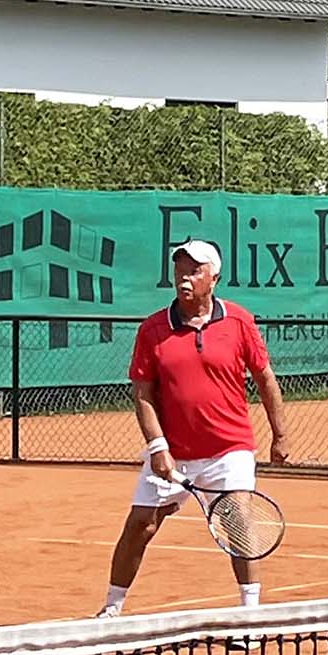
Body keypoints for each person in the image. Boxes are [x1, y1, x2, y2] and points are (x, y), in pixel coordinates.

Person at [97, 239, 290, 618]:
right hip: (174, 451)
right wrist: (158, 447)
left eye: (194, 271)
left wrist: (280, 434)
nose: (184, 278)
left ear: (213, 278)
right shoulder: (153, 329)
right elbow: (143, 392)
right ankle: (111, 610)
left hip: (229, 448)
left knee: (238, 520)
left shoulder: (239, 321)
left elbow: (265, 378)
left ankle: (250, 617)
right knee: (141, 525)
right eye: (180, 270)